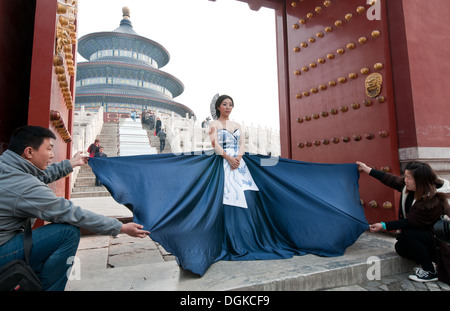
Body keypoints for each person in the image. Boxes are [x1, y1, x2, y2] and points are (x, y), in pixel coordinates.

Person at [88, 94, 368, 276]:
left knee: (251, 203)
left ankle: (253, 239)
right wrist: (228, 159)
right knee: (224, 204)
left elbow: (242, 144)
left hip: (241, 166)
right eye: (225, 104)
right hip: (223, 166)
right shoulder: (213, 124)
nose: (229, 108)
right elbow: (214, 146)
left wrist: (239, 157)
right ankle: (224, 241)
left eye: (231, 104)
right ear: (218, 107)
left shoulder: (236, 124)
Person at [0, 126, 149, 291]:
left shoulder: (8, 167)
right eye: (49, 149)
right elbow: (70, 213)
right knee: (67, 232)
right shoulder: (23, 186)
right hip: (3, 251)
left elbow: (40, 176)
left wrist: (71, 163)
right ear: (29, 152)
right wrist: (120, 227)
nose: (52, 155)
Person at [357, 160, 450, 282]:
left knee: (409, 235)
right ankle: (429, 260)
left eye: (408, 178)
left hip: (438, 241)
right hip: (423, 235)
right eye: (405, 176)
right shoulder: (410, 187)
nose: (405, 180)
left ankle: (430, 271)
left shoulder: (434, 200)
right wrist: (366, 168)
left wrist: (383, 225)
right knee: (401, 247)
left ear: (420, 180)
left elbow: (410, 222)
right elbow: (389, 179)